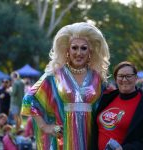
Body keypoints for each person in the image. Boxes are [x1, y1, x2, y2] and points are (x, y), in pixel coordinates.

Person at [21, 22, 110, 150]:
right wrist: (46, 127)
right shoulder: (55, 75)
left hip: (90, 138)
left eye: (83, 48)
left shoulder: (98, 78)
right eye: (74, 48)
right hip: (62, 141)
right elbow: (29, 99)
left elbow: (113, 104)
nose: (79, 53)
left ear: (90, 51)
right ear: (67, 50)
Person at [93, 61, 143, 150]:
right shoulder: (107, 99)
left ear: (136, 78)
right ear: (115, 78)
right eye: (121, 76)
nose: (124, 79)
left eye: (128, 76)